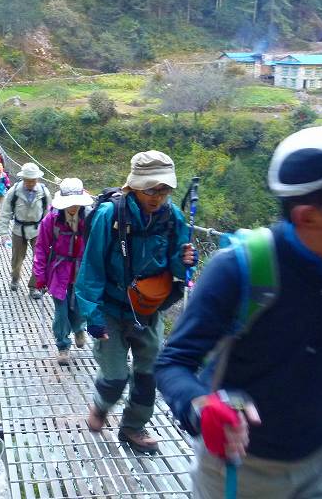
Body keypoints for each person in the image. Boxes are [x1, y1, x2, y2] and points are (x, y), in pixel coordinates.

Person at [156, 126, 322, 499]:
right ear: (308, 216)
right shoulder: (239, 269)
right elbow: (173, 362)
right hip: (240, 467)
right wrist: (200, 407)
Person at [75, 150, 196, 453]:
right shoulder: (110, 216)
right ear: (135, 186)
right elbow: (91, 268)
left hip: (148, 309)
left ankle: (132, 428)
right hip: (111, 308)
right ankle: (101, 408)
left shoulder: (173, 217)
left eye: (164, 190)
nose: (158, 196)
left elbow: (176, 268)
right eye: (151, 189)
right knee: (115, 376)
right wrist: (93, 316)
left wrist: (185, 261)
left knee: (148, 374)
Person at [33, 178, 93, 366]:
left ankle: (79, 328)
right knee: (61, 310)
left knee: (79, 305)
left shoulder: (90, 218)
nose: (73, 207)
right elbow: (41, 247)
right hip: (59, 270)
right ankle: (63, 346)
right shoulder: (52, 219)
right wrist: (39, 276)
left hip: (82, 268)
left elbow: (98, 244)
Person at [0, 162, 51, 298]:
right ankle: (15, 278)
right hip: (18, 230)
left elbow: (48, 214)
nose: (30, 183)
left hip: (37, 230)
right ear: (23, 179)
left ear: (37, 179)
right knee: (17, 259)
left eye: (32, 180)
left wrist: (50, 234)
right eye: (27, 180)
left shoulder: (44, 192)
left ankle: (34, 287)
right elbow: (4, 213)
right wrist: (4, 234)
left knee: (39, 259)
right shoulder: (14, 191)